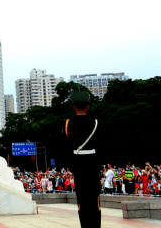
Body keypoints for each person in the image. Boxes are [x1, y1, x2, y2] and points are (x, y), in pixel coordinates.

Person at [63, 90, 101, 228]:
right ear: (88, 106)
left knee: (82, 201)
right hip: (92, 165)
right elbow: (101, 146)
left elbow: (67, 147)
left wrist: (71, 164)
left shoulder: (68, 124)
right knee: (94, 201)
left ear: (74, 106)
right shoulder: (96, 123)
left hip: (78, 165)